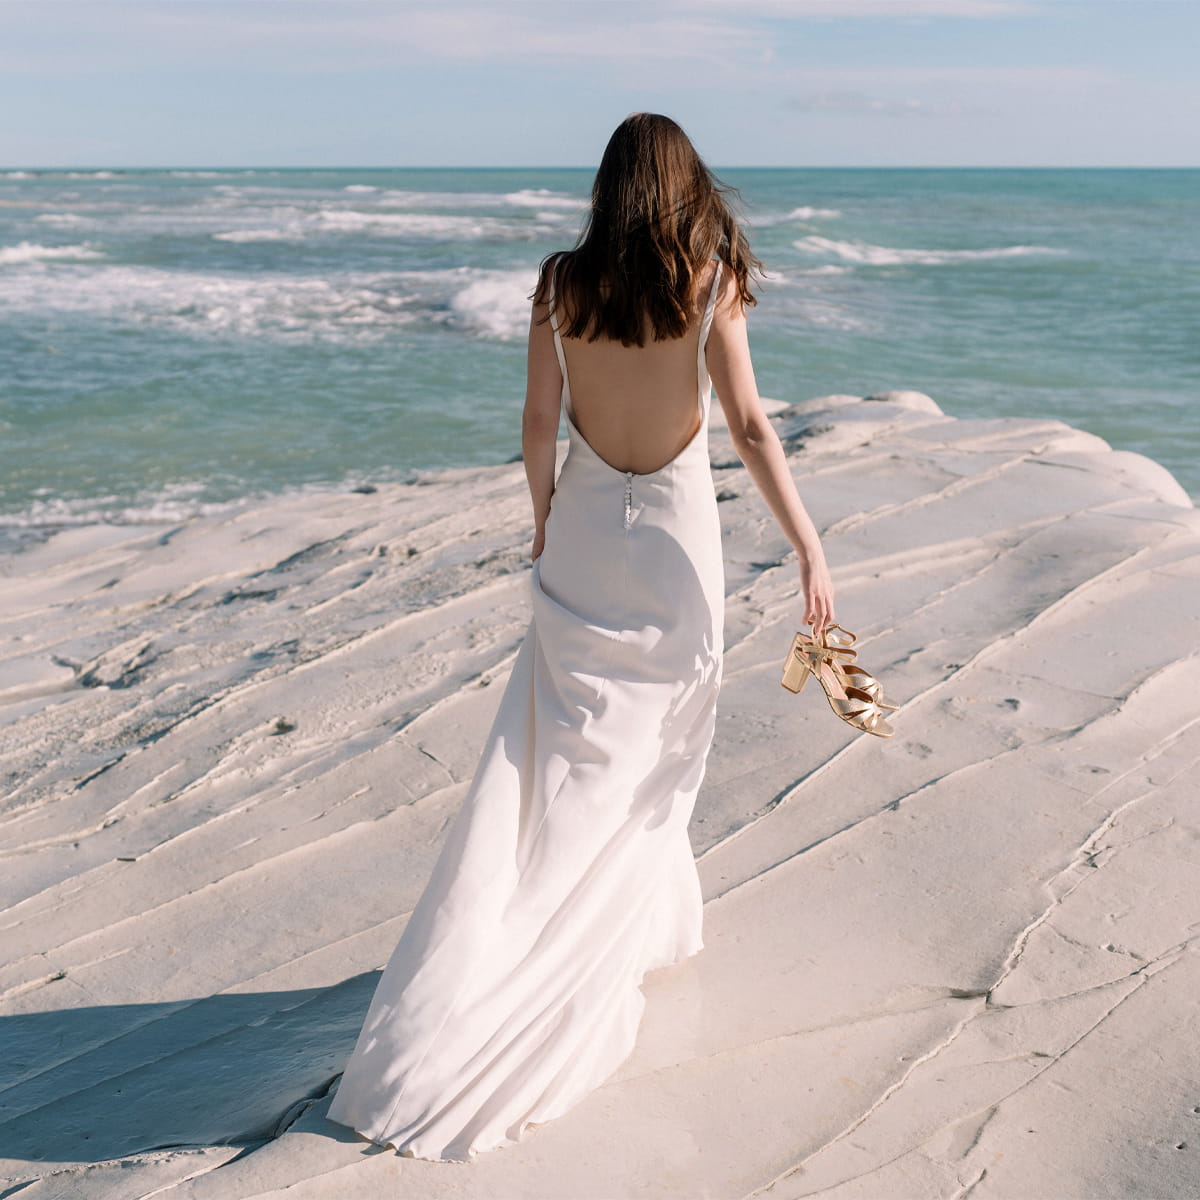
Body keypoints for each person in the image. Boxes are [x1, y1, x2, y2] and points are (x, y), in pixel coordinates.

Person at [325, 113, 834, 1163]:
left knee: (561, 748)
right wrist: (809, 547)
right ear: (687, 188)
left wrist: (548, 512)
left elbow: (535, 419)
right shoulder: (709, 277)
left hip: (589, 538)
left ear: (609, 188)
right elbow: (747, 426)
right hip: (677, 551)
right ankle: (574, 946)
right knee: (658, 752)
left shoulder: (563, 284)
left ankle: (595, 926)